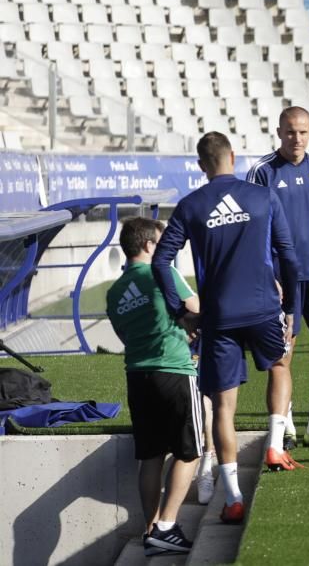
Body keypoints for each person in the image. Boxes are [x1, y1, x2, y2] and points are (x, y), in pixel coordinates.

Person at [152, 132, 300, 525]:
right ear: (233, 157)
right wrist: (292, 308)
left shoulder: (190, 205)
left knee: (223, 406)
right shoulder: (263, 196)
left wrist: (179, 311)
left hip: (217, 317)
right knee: (281, 366)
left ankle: (232, 496)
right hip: (263, 309)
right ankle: (273, 444)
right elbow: (288, 254)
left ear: (202, 165)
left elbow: (160, 261)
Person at [247, 106, 309, 449]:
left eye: (303, 132)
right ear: (279, 132)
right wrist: (262, 273)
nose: (297, 138)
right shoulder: (262, 172)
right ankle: (285, 427)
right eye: (290, 132)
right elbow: (252, 228)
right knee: (282, 355)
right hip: (281, 278)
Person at [106, 217, 201, 556]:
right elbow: (197, 310)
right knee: (190, 452)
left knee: (151, 455)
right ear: (149, 245)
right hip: (174, 369)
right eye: (161, 244)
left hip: (137, 375)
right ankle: (167, 525)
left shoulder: (114, 292)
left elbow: (125, 335)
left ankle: (151, 529)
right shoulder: (163, 272)